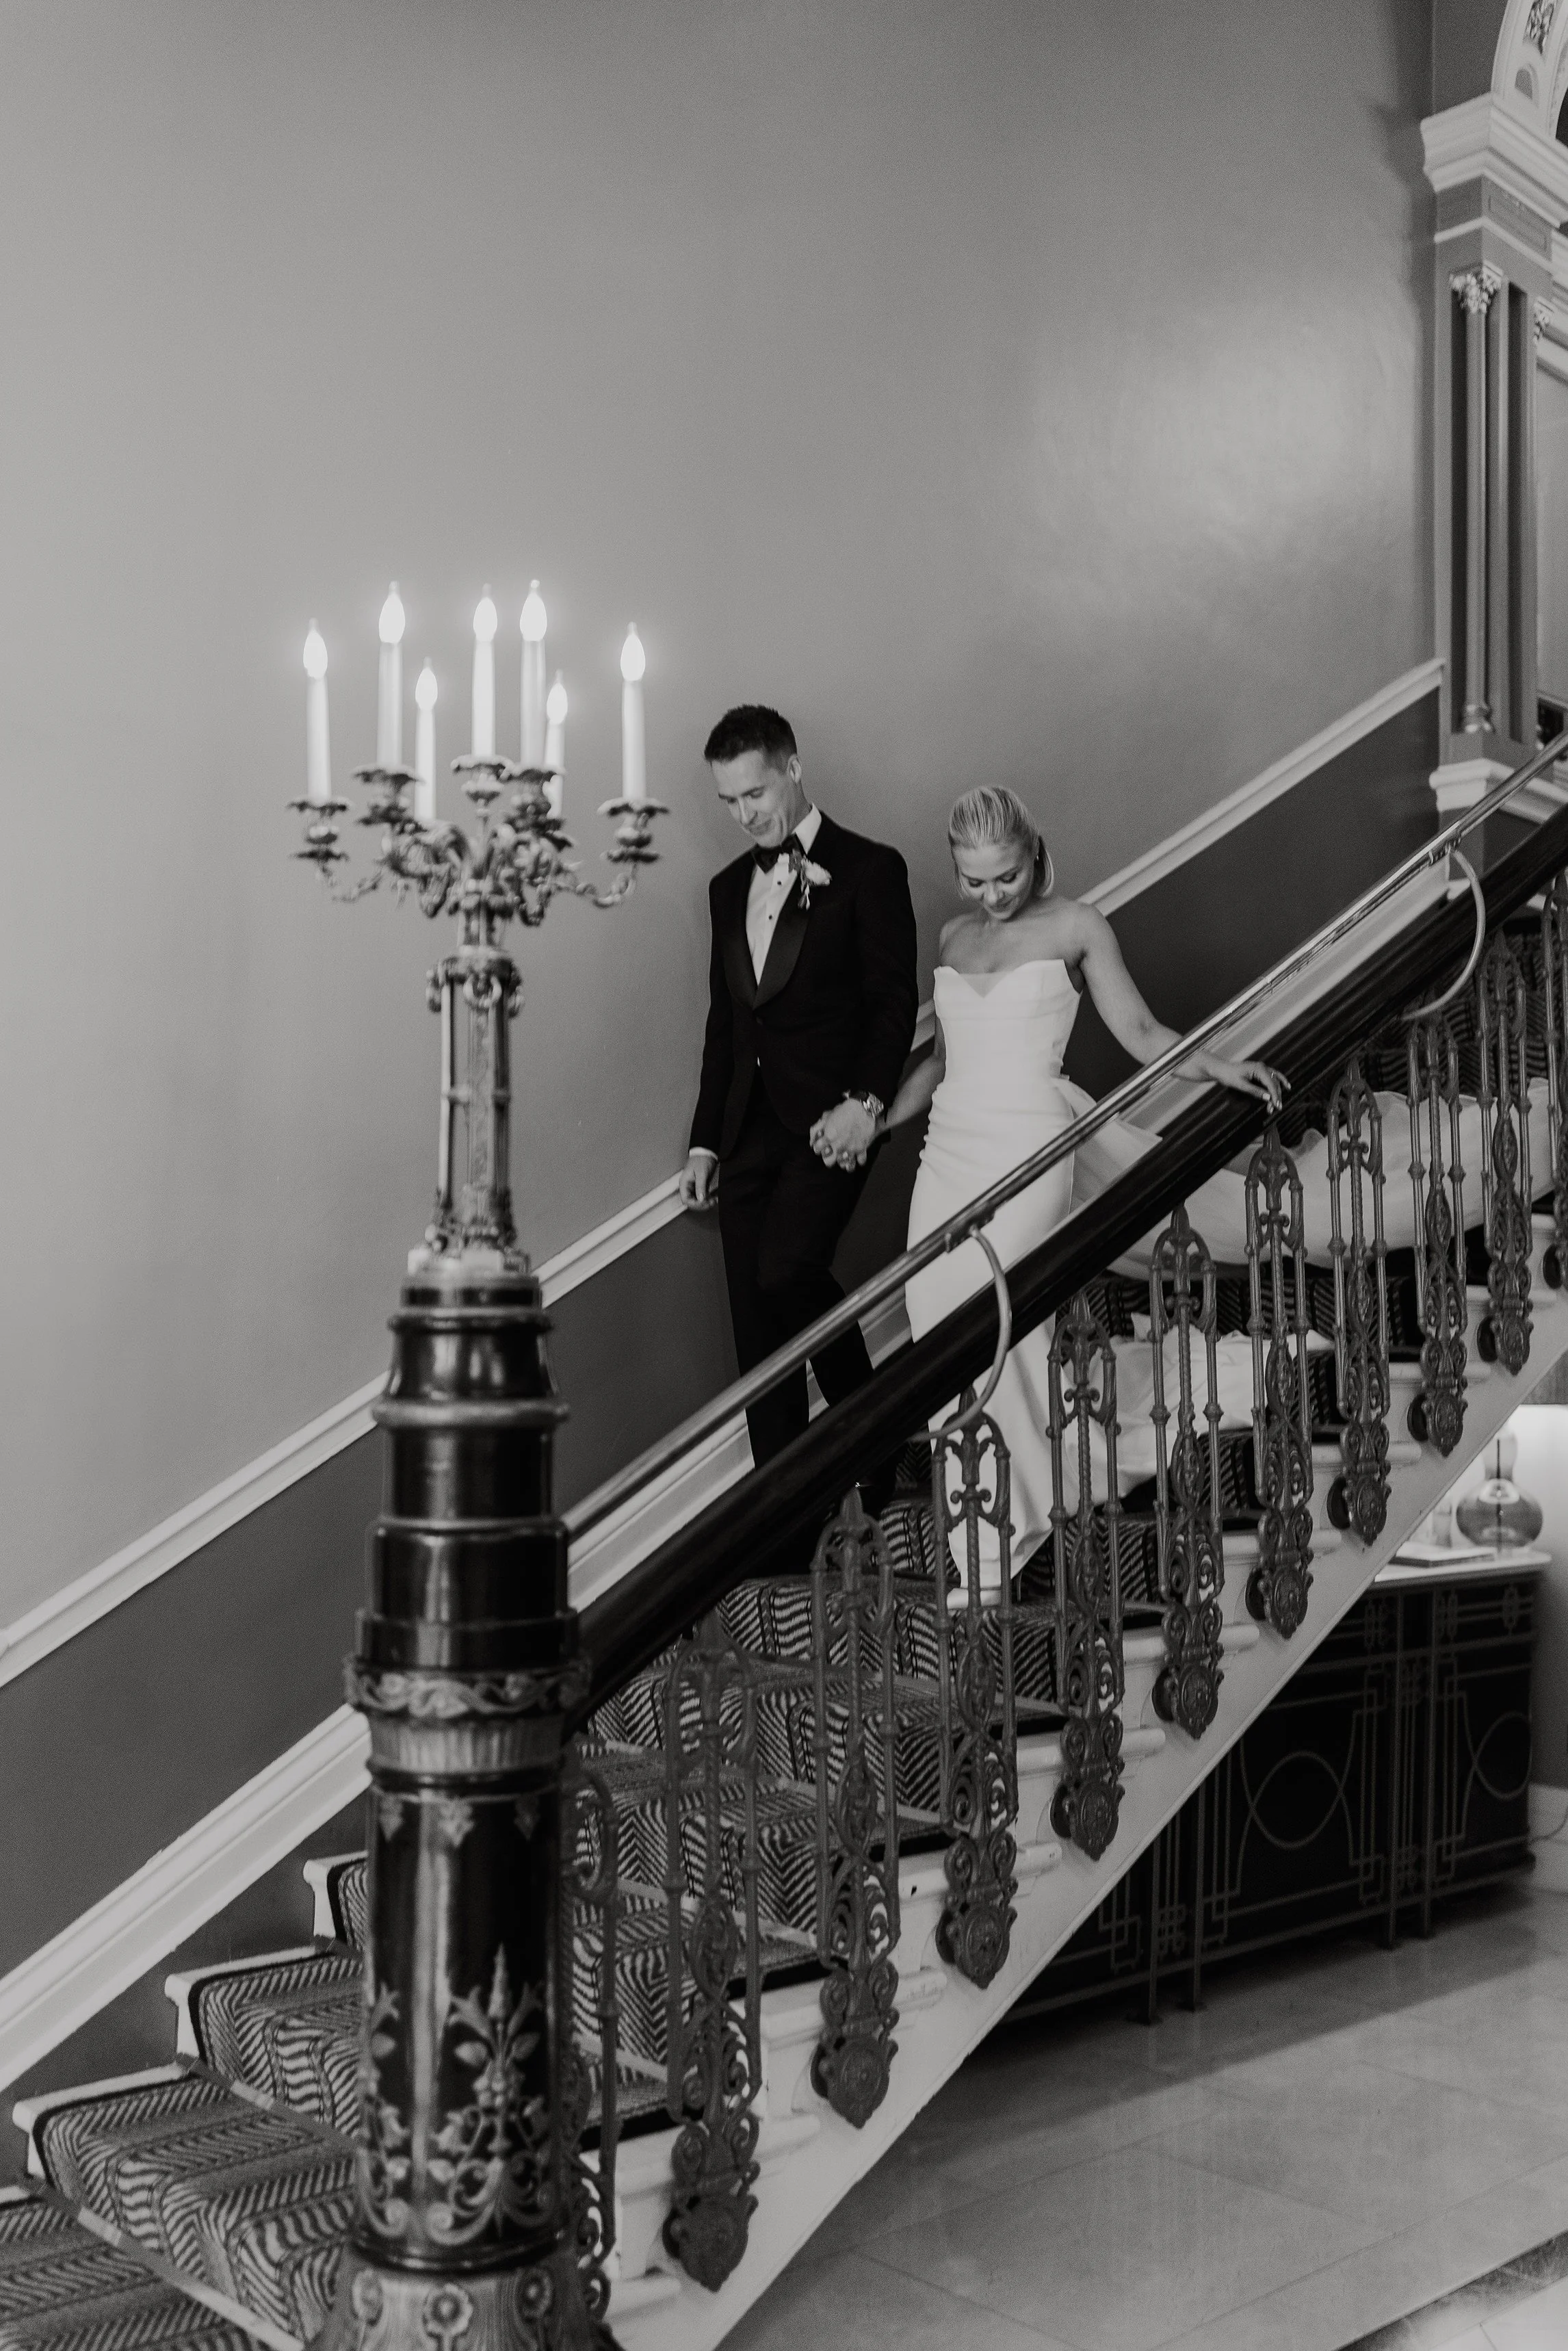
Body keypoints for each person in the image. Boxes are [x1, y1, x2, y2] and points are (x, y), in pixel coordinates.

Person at [849, 784, 1284, 1573]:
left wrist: (1222, 1066)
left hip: (1031, 1146)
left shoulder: (1079, 925)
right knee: (938, 1329)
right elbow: (942, 1061)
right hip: (947, 1152)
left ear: (1034, 854)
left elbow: (1140, 1030)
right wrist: (877, 1121)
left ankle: (1015, 1533)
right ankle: (983, 1530)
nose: (992, 895)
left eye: (1007, 876)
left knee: (1002, 1322)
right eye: (974, 880)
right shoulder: (951, 937)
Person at [680, 705, 919, 1466]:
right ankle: (784, 1505)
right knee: (757, 1326)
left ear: (793, 768)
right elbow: (727, 1023)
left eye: (755, 793)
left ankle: (877, 1434)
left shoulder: (871, 868)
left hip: (830, 1121)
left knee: (787, 1271)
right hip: (744, 1127)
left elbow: (892, 1004)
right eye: (729, 800)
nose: (744, 815)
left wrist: (868, 1106)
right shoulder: (725, 889)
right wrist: (704, 1141)